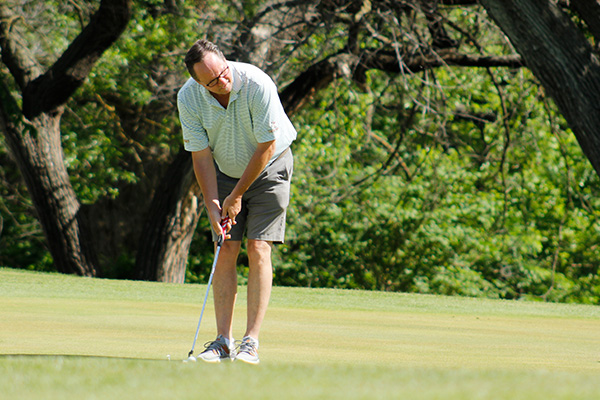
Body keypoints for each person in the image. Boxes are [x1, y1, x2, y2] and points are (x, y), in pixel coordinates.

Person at [177, 39, 296, 364]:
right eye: (212, 81)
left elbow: (266, 147)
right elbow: (200, 155)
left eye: (223, 72)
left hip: (270, 166)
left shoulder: (257, 84)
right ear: (199, 82)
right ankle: (222, 342)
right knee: (226, 246)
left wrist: (237, 195)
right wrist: (213, 203)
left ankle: (250, 342)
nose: (222, 81)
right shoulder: (188, 97)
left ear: (226, 62)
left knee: (258, 247)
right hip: (226, 170)